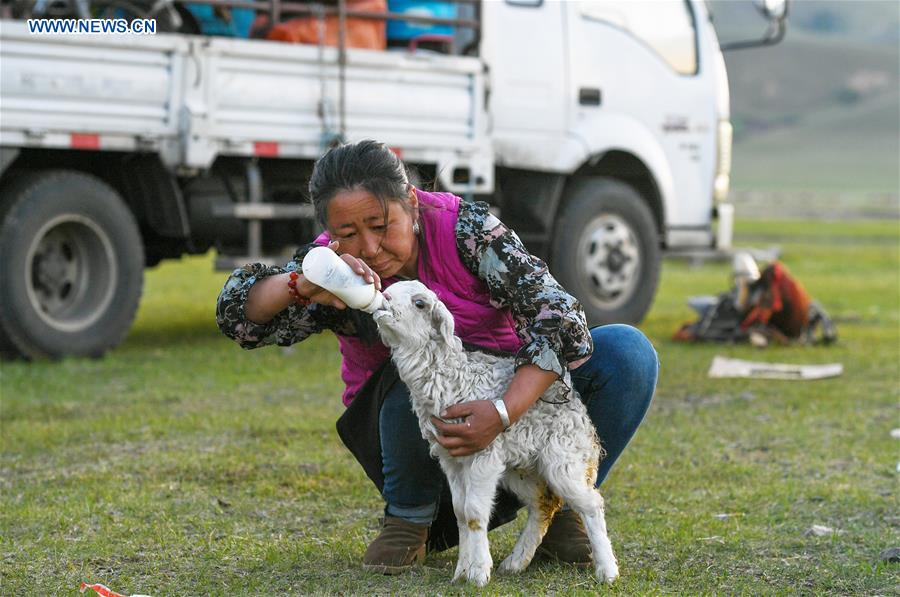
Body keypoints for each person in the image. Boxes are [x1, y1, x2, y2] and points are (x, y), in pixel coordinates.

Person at [216, 139, 659, 574]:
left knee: (627, 352)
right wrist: (301, 283)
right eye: (348, 234)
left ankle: (559, 510)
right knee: (411, 356)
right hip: (424, 457)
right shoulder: (334, 267)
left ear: (411, 202)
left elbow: (559, 316)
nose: (368, 248)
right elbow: (237, 313)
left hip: (519, 435)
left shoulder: (469, 233)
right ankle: (409, 520)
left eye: (380, 224)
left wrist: (502, 413)